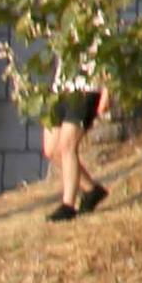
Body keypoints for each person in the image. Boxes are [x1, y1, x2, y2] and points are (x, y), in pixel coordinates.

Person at [33, 51, 106, 222]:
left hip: (86, 89)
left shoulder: (98, 23)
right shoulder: (64, 24)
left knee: (67, 146)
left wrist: (107, 91)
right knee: (51, 150)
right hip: (61, 88)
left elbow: (109, 54)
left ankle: (68, 205)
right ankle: (92, 190)